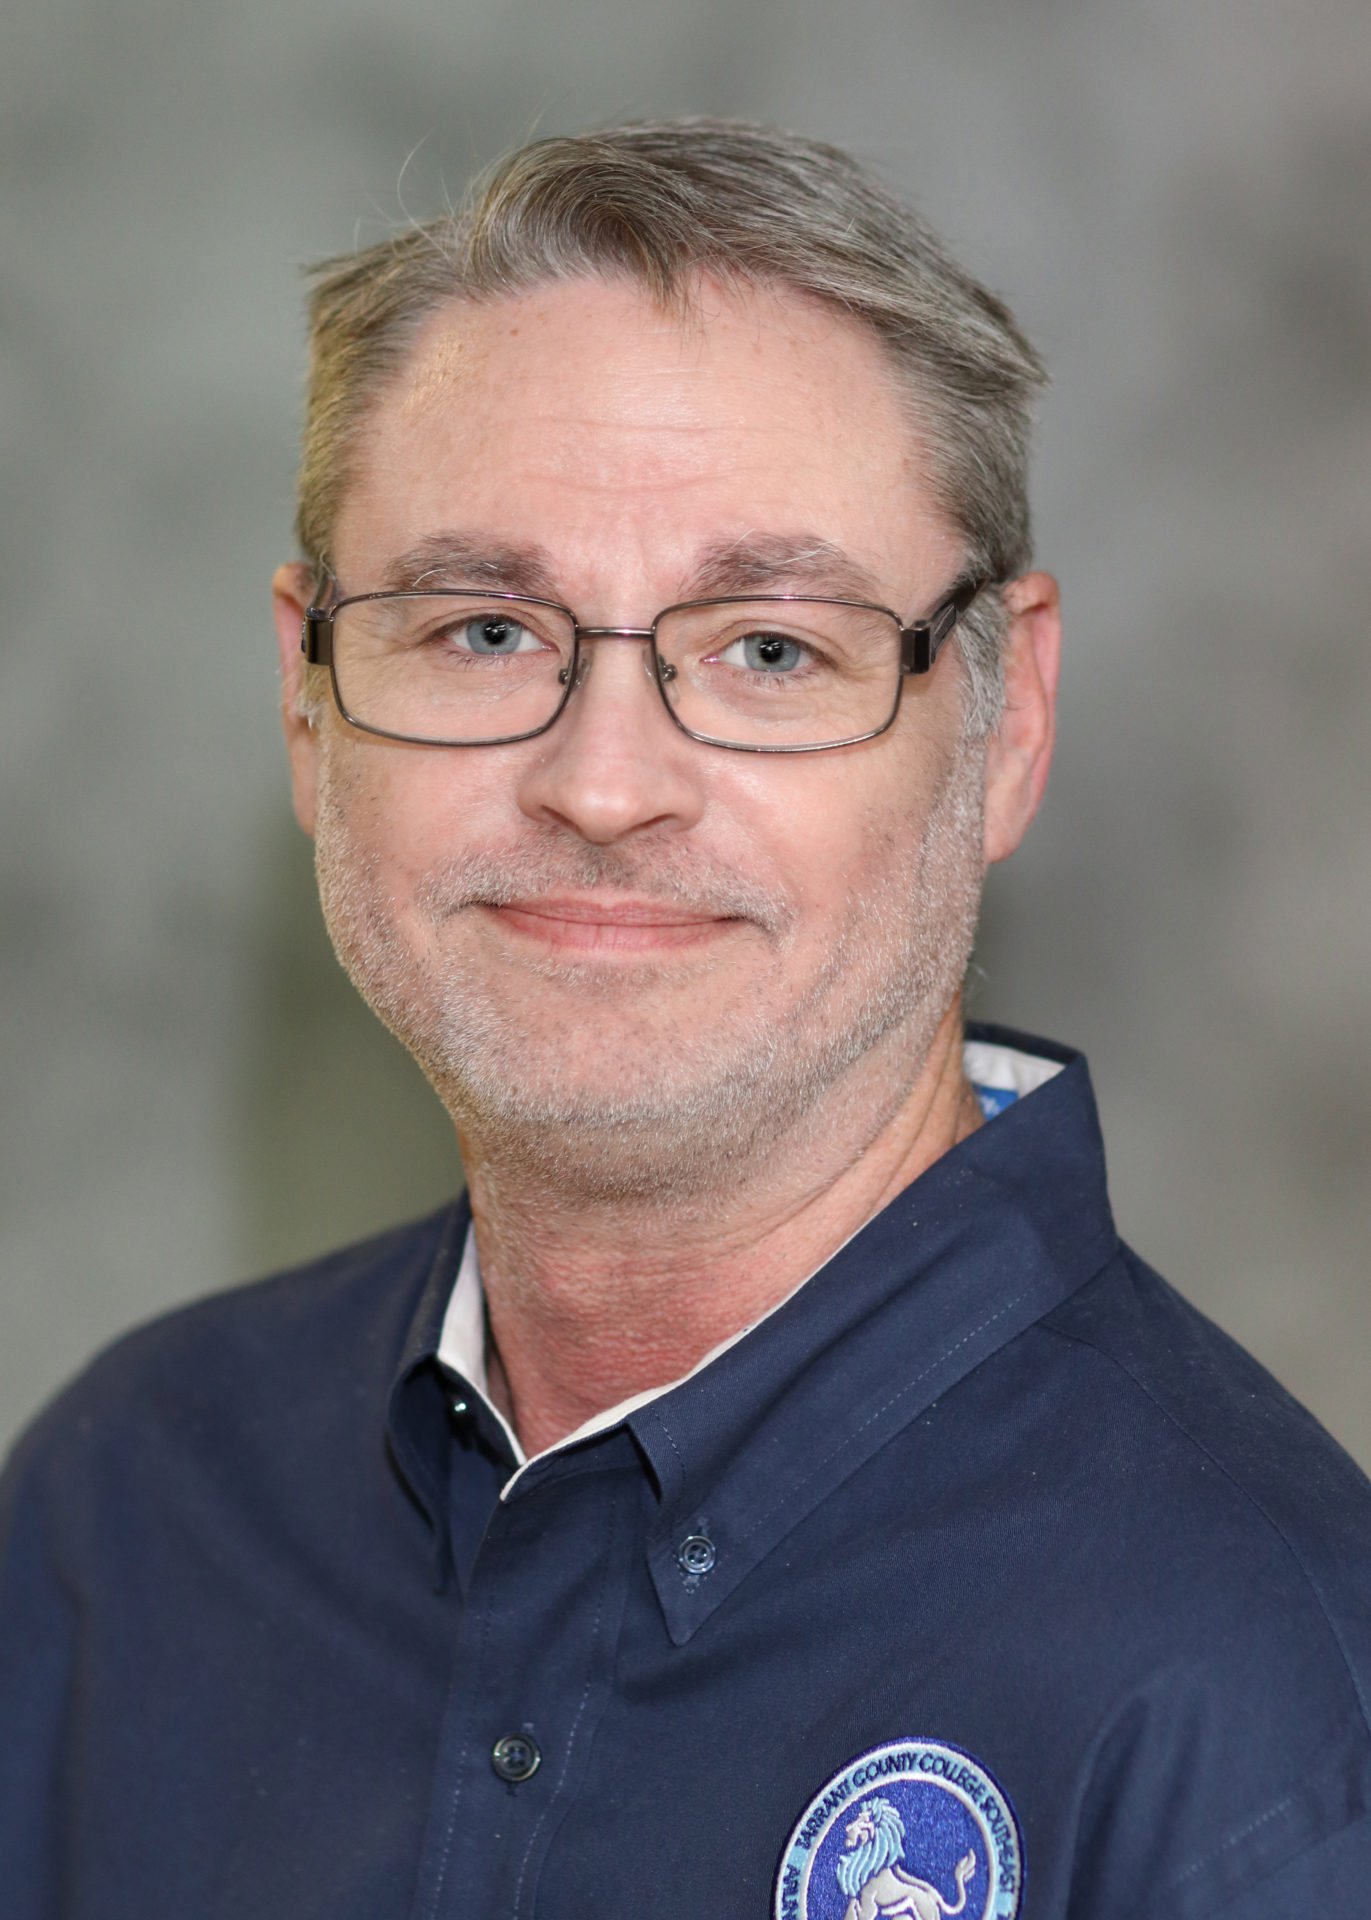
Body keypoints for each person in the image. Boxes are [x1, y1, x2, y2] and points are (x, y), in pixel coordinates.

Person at [2, 119, 1369, 1920]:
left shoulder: (1264, 1712)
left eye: (770, 649)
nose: (602, 784)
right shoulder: (121, 1521)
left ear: (1007, 724)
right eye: (484, 630)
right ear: (307, 702)